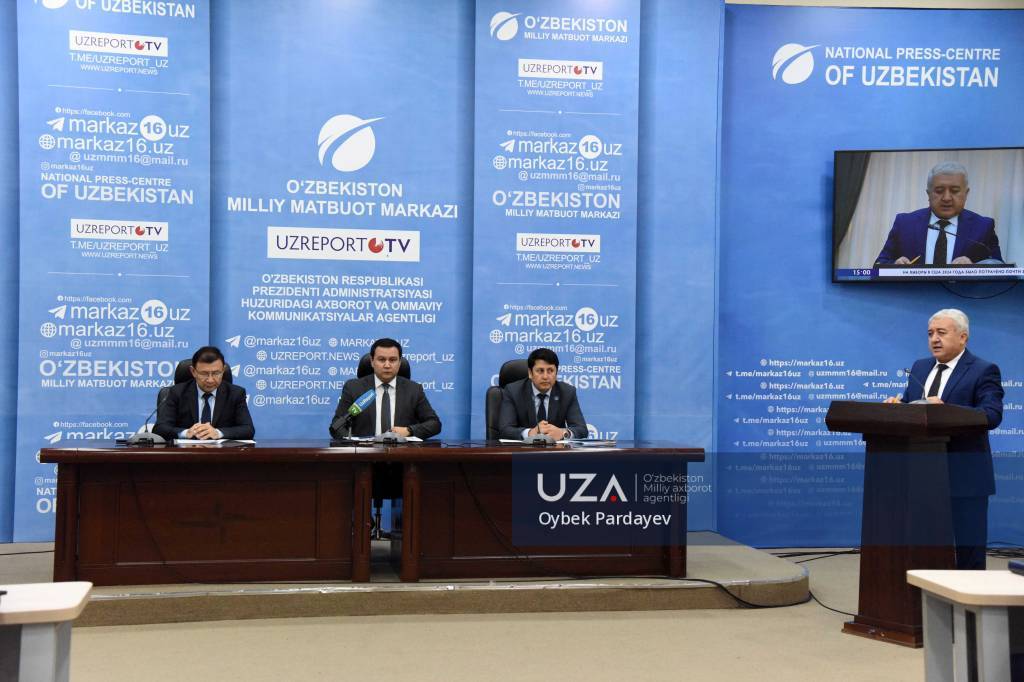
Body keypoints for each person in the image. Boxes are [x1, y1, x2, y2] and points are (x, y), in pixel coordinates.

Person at [885, 308, 1003, 569]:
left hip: (965, 475)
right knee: (925, 550)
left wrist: (946, 411)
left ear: (963, 337)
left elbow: (991, 415)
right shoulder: (920, 367)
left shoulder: (983, 370)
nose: (934, 339)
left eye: (941, 332)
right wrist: (898, 407)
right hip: (921, 475)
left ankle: (970, 596)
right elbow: (914, 406)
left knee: (969, 556)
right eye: (930, 334)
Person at [875, 161, 1001, 266]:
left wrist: (974, 268)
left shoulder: (983, 227)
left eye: (954, 191)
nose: (946, 198)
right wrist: (895, 266)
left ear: (966, 194)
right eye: (939, 191)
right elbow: (878, 265)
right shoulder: (905, 224)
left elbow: (1000, 269)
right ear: (928, 194)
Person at [329, 338, 441, 440]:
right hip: (364, 452)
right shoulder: (353, 387)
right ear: (372, 361)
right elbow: (336, 426)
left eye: (392, 360)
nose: (387, 365)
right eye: (381, 360)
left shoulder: (414, 389)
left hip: (402, 452)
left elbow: (434, 424)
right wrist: (355, 443)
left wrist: (409, 430)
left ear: (399, 362)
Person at [154, 346, 255, 441]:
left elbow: (248, 429)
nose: (210, 380)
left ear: (223, 370)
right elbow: (160, 428)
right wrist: (186, 433)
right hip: (186, 452)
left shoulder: (235, 394)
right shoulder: (177, 393)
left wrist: (218, 433)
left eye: (216, 373)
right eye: (204, 374)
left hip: (222, 452)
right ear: (193, 372)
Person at [497, 347, 587, 441]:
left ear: (556, 373)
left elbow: (582, 429)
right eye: (540, 371)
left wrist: (563, 433)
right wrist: (530, 433)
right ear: (530, 373)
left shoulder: (567, 392)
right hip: (523, 449)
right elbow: (505, 430)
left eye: (550, 371)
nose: (545, 376)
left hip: (555, 449)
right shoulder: (513, 391)